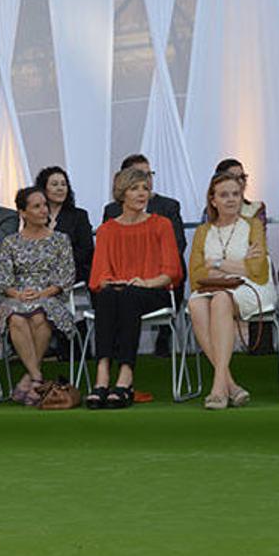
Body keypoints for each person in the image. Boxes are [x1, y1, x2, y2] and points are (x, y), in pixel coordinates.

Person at [86, 167, 183, 409]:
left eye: (145, 188)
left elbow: (173, 271)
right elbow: (98, 276)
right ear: (122, 194)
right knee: (109, 295)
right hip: (120, 292)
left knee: (127, 296)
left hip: (153, 291)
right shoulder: (108, 229)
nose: (142, 193)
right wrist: (112, 281)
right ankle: (103, 374)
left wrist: (145, 282)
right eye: (134, 188)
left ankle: (126, 375)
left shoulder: (161, 224)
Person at [187, 173, 278, 410]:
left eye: (236, 194)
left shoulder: (253, 226)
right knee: (195, 304)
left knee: (220, 300)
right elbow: (196, 276)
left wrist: (215, 264)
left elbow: (257, 270)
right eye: (224, 195)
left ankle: (218, 388)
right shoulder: (202, 232)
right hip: (212, 288)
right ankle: (231, 385)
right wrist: (238, 264)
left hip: (251, 287)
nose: (231, 200)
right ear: (213, 200)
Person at [0, 186, 75, 404]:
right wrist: (19, 294)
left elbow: (66, 276)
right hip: (17, 297)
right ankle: (37, 377)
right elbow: (3, 280)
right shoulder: (11, 242)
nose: (44, 210)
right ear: (23, 212)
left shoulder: (60, 239)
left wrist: (42, 293)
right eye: (37, 206)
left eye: (44, 206)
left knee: (39, 317)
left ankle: (29, 379)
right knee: (15, 318)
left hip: (49, 295)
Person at [101, 153, 186, 260]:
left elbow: (177, 246)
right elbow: (108, 253)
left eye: (149, 174)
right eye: (140, 175)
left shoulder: (168, 207)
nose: (147, 179)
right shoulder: (112, 210)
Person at [36, 165, 94, 283]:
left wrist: (59, 262)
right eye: (55, 184)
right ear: (43, 188)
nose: (60, 188)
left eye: (63, 184)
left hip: (73, 275)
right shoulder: (35, 216)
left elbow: (86, 250)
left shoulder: (79, 216)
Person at [212, 159, 267, 223]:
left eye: (242, 177)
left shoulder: (256, 208)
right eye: (234, 177)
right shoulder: (211, 210)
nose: (240, 181)